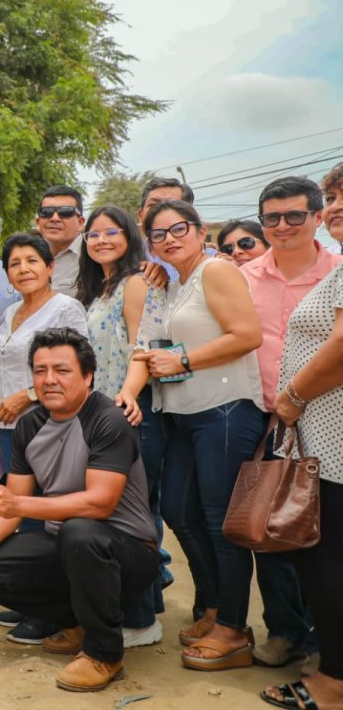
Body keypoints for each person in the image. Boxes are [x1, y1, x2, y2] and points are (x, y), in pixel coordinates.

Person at [0, 328, 161, 693]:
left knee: (79, 530)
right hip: (69, 545)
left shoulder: (108, 419)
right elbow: (11, 507)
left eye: (62, 370)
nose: (49, 379)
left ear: (87, 375)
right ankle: (79, 623)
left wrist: (20, 503)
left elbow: (100, 503)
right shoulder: (29, 425)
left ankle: (105, 653)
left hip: (128, 551)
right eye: (40, 370)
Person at [135, 199, 266, 671]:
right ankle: (213, 606)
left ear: (199, 229)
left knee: (220, 522)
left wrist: (184, 359)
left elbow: (247, 334)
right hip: (184, 417)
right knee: (178, 510)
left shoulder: (217, 271)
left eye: (178, 229)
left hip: (226, 411)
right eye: (158, 234)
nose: (169, 238)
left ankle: (234, 627)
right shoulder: (174, 283)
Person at [240, 176, 336, 668]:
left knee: (324, 534)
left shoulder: (337, 270)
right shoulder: (241, 274)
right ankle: (286, 630)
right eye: (271, 218)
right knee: (269, 530)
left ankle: (326, 641)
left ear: (317, 217)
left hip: (322, 420)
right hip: (257, 416)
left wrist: (295, 397)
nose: (282, 226)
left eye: (294, 215)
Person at [262, 167, 343, 709]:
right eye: (334, 196)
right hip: (323, 438)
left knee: (325, 558)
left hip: (334, 440)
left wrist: (290, 398)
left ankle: (332, 683)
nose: (336, 206)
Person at [0, 232, 88, 643]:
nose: (23, 269)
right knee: (22, 514)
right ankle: (33, 600)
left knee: (48, 519)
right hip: (9, 431)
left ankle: (55, 613)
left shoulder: (66, 308)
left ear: (49, 267)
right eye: (15, 263)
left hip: (50, 427)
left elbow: (76, 363)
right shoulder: (9, 312)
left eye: (32, 261)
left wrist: (28, 395)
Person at [76, 205, 169, 648]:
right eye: (93, 235)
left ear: (128, 236)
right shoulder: (98, 289)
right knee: (111, 518)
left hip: (129, 414)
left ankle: (142, 618)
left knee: (135, 521)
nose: (101, 240)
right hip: (102, 416)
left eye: (110, 232)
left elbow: (143, 349)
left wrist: (129, 396)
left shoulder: (135, 283)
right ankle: (123, 612)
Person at [35, 186, 85, 298]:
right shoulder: (27, 256)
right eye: (46, 212)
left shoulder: (93, 256)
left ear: (80, 222)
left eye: (65, 212)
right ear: (38, 222)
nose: (55, 218)